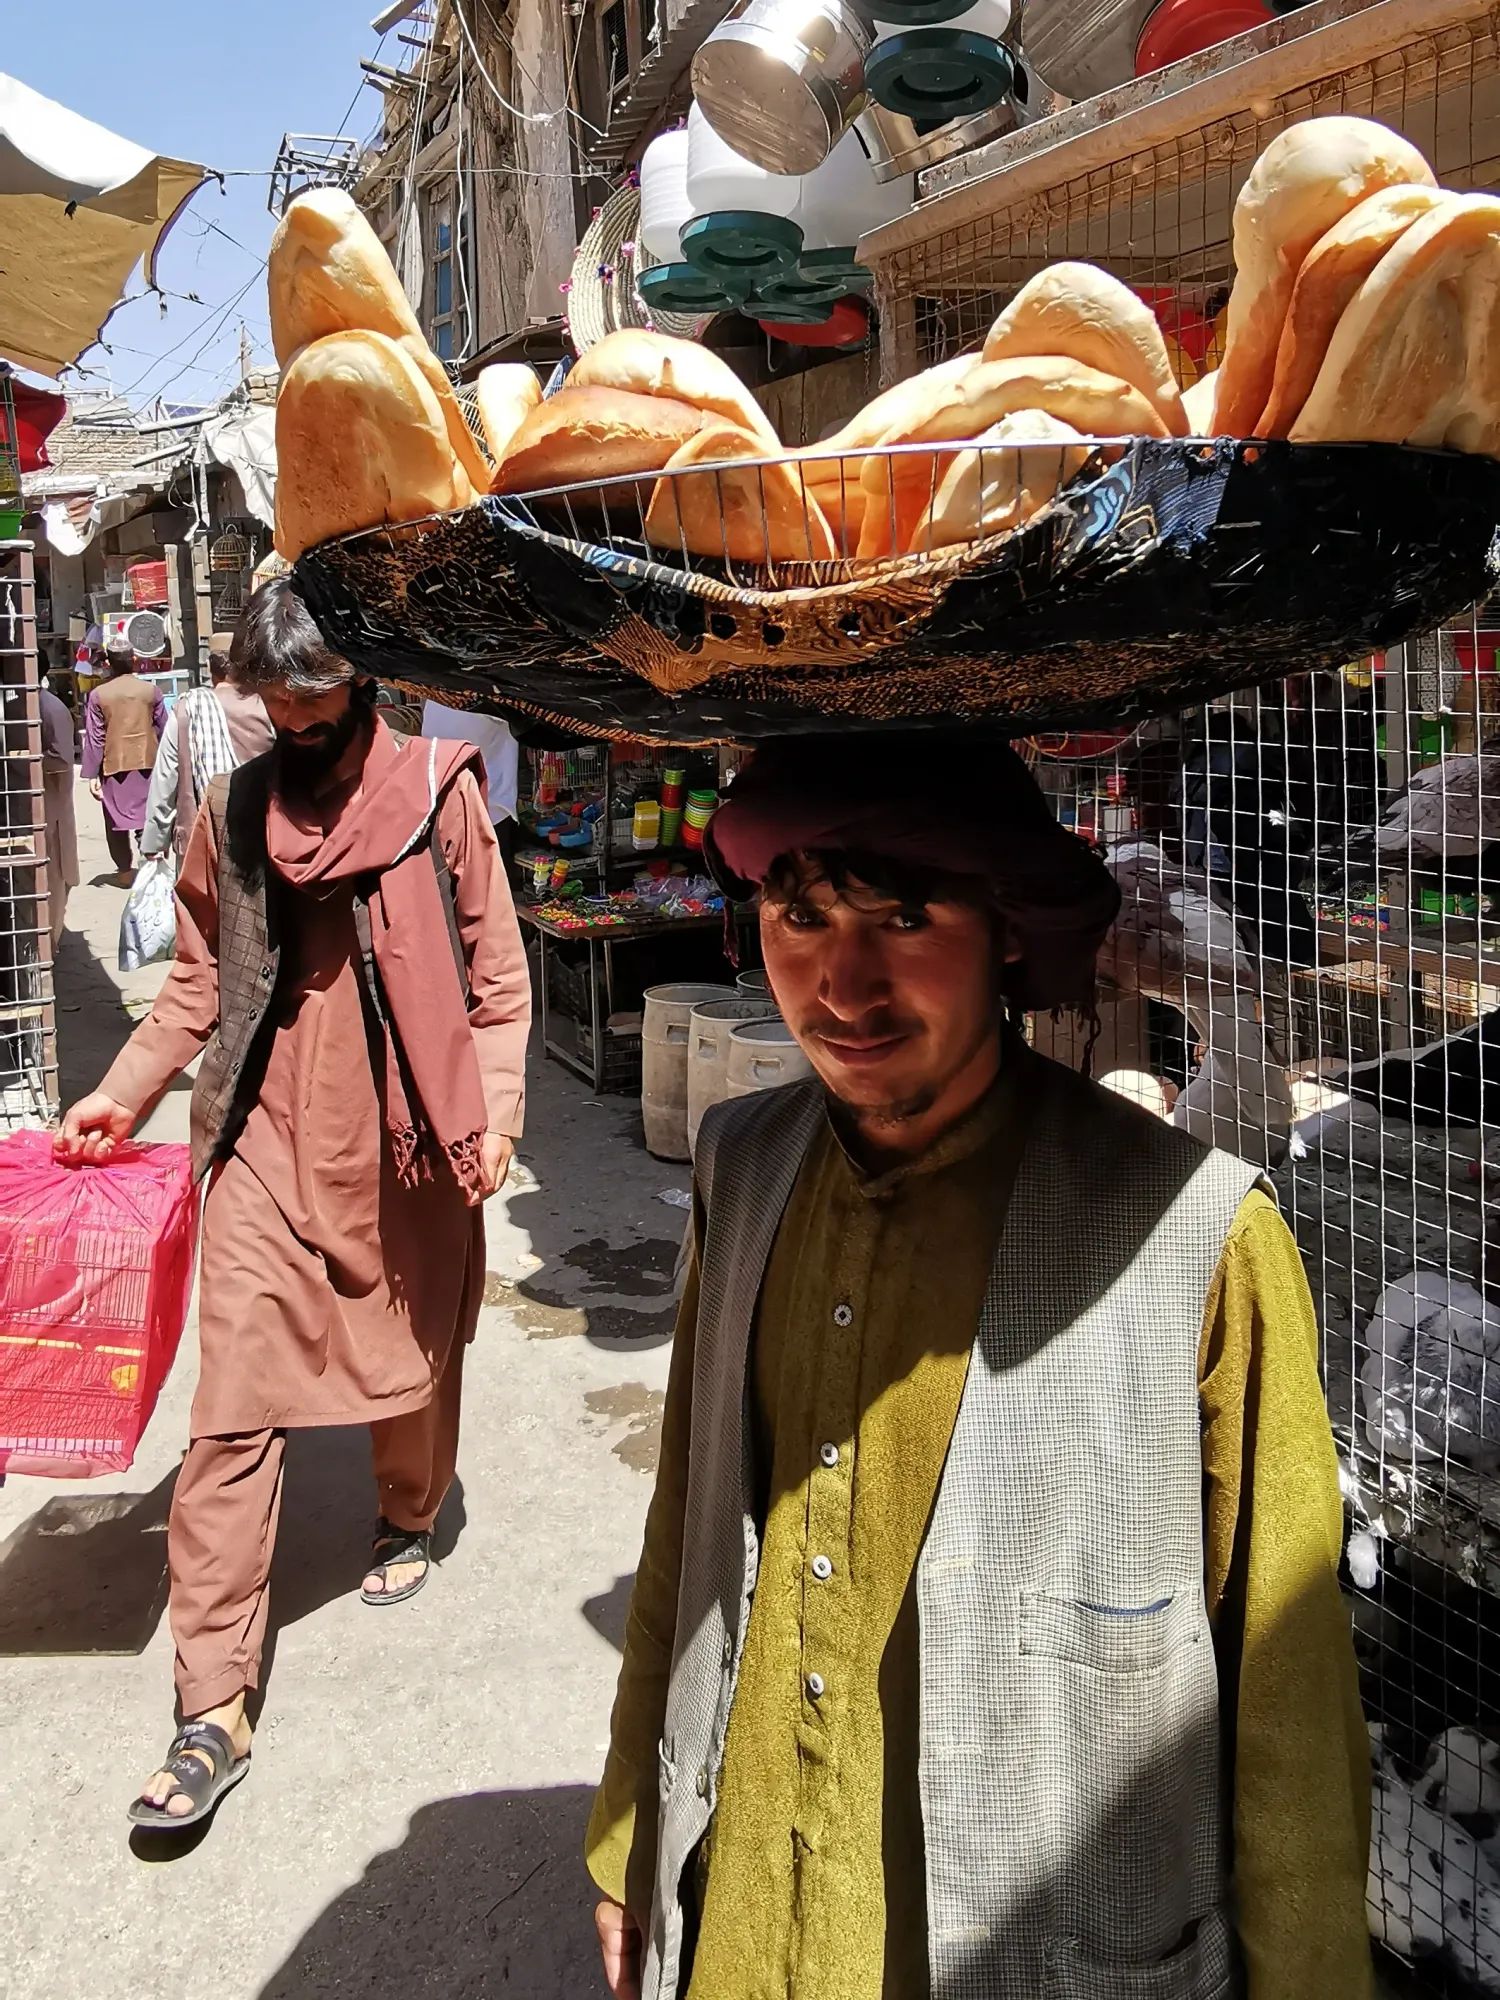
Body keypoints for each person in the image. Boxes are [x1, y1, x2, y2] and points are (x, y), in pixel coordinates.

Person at [586, 735, 1371, 2000]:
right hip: (749, 1925)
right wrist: (632, 1831)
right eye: (801, 915)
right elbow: (689, 1528)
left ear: (1006, 928)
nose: (842, 984)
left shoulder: (1199, 1240)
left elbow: (1289, 1695)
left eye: (905, 918)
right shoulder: (743, 1164)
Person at [56, 578, 532, 1831]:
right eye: (280, 714)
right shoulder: (235, 808)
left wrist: (494, 1113)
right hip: (265, 1140)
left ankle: (408, 1511)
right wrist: (121, 1093)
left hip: (409, 1137)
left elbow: (497, 976)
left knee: (414, 1354)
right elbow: (195, 984)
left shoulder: (436, 793)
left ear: (363, 690)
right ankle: (211, 1703)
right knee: (229, 1410)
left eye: (319, 713)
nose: (301, 736)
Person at [140, 638, 273, 865]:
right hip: (266, 832)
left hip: (203, 840)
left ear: (212, 670)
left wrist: (155, 841)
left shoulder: (189, 707)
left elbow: (166, 776)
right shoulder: (270, 705)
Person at [80, 637, 165, 885]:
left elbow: (96, 738)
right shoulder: (151, 691)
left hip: (114, 766)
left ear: (108, 663)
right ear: (134, 660)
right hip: (148, 764)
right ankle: (152, 868)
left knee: (115, 822)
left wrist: (91, 774)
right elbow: (164, 728)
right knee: (147, 818)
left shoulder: (98, 695)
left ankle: (125, 872)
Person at [37, 644, 79, 948]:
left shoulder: (50, 708)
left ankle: (50, 944)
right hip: (41, 808)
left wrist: (25, 760)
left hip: (52, 809)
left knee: (53, 879)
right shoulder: (27, 705)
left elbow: (62, 759)